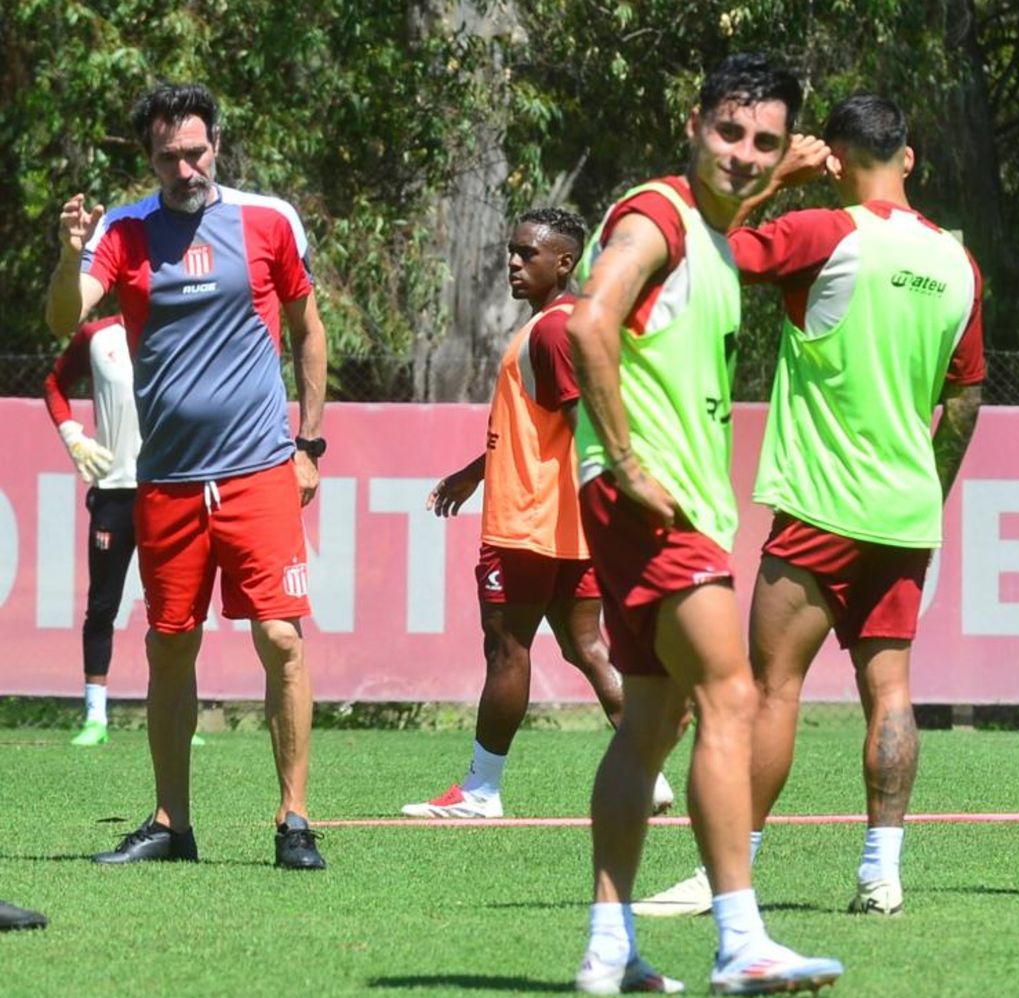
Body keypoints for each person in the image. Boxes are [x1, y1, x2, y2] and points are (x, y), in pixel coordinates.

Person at [636, 94, 985, 920]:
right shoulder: (957, 262)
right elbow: (966, 398)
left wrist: (773, 183)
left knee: (773, 689)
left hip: (822, 505)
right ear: (907, 157)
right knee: (890, 692)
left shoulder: (825, 233)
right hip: (906, 512)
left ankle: (729, 873)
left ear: (832, 157)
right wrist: (927, 491)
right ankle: (881, 873)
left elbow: (703, 249)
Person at [568, 53, 843, 995]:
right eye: (729, 132)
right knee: (731, 695)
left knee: (653, 718)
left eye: (764, 140)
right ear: (693, 123)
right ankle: (740, 941)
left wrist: (779, 180)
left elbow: (726, 208)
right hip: (655, 500)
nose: (744, 153)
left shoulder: (709, 231)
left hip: (654, 499)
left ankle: (609, 948)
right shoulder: (655, 216)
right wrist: (627, 459)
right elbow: (588, 324)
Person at [44, 82, 328, 870]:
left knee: (281, 638)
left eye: (196, 152)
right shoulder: (123, 230)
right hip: (166, 479)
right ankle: (172, 824)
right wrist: (68, 255)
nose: (185, 168)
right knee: (169, 645)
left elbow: (308, 329)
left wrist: (310, 443)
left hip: (259, 470)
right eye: (169, 156)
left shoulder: (269, 219)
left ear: (217, 145)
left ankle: (294, 821)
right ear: (150, 157)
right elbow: (65, 317)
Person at [401, 208, 673, 820]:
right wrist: (476, 471)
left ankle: (481, 791)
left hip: (528, 523)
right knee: (587, 646)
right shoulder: (568, 325)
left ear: (565, 262)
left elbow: (583, 424)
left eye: (529, 253)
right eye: (513, 250)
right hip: (567, 525)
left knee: (507, 649)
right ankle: (650, 772)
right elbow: (543, 425)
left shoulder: (552, 331)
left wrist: (623, 496)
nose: (514, 262)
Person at [43, 316, 141, 746]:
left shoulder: (182, 321)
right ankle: (95, 716)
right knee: (102, 605)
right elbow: (54, 384)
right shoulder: (98, 335)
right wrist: (72, 435)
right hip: (113, 493)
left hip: (165, 489)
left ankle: (177, 708)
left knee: (173, 607)